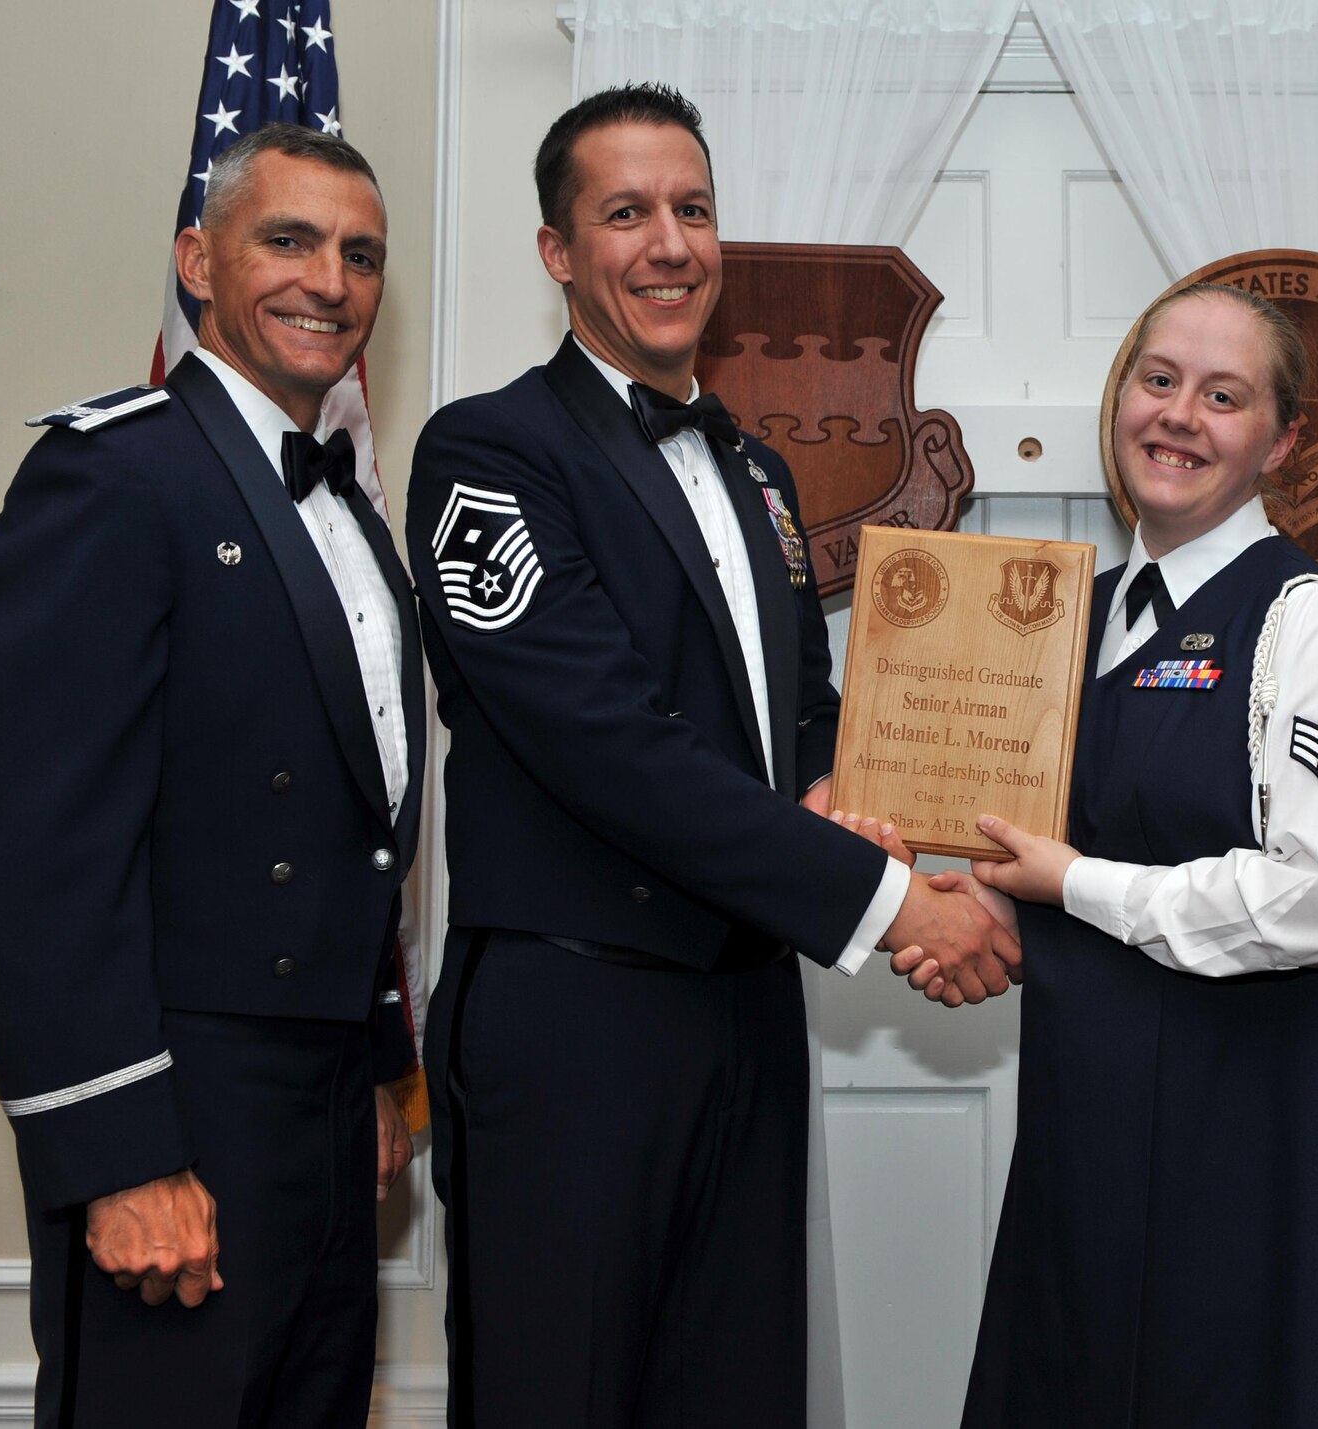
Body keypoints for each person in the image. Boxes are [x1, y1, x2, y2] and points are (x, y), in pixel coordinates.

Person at [405, 83, 1019, 1429]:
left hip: (742, 1009)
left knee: (735, 1390)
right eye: (625, 213)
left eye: (693, 208)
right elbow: (613, 748)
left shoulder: (757, 472)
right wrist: (892, 904)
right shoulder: (489, 453)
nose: (670, 242)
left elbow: (800, 726)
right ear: (560, 251)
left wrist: (858, 813)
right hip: (574, 1019)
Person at [885, 282, 1318, 1425]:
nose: (1177, 416)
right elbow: (1052, 851)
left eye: (1223, 396)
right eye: (1157, 382)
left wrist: (1071, 886)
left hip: (1270, 1162)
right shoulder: (1075, 616)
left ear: (1280, 441)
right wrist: (986, 917)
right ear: (1118, 399)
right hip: (1097, 1143)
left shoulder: (1313, 624)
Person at [0, 124, 425, 1429]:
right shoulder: (110, 474)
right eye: (289, 240)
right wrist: (120, 1156)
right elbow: (32, 854)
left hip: (326, 1113)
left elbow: (357, 817)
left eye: (361, 253)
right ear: (197, 261)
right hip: (180, 1102)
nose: (329, 278)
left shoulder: (349, 512)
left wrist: (378, 1066)